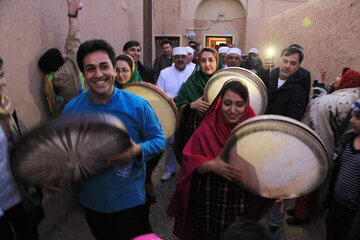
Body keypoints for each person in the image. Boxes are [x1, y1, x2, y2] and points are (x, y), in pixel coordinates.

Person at [62, 39, 166, 240]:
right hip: (93, 203)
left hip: (132, 201)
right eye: (90, 69)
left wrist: (136, 151)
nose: (99, 74)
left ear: (113, 68)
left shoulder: (137, 105)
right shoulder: (72, 110)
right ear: (83, 74)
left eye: (104, 67)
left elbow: (159, 140)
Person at [167, 81, 256, 240]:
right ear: (220, 102)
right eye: (227, 103)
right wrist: (209, 164)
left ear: (247, 104)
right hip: (210, 200)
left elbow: (265, 164)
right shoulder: (208, 127)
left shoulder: (254, 129)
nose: (233, 110)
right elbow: (189, 162)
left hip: (241, 200)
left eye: (239, 105)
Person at [257, 46, 310, 239]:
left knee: (278, 188)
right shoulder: (269, 75)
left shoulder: (298, 88)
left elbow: (294, 120)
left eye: (293, 63)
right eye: (285, 61)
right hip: (260, 138)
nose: (287, 66)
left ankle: (273, 228)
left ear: (298, 66)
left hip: (282, 145)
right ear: (280, 59)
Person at [0, 57, 44, 240]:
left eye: (1, 75)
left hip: (20, 194)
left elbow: (19, 148)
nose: (2, 82)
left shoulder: (6, 109)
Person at [319, 99, 360, 240]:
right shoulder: (347, 140)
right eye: (353, 116)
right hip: (336, 204)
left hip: (353, 213)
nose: (352, 120)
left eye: (358, 117)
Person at [38, 0, 86, 117]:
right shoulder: (63, 77)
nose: (65, 53)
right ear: (57, 63)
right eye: (61, 54)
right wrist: (72, 17)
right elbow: (74, 47)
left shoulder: (54, 77)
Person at [174, 47, 224, 162]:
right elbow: (177, 107)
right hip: (195, 135)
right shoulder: (191, 83)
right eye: (203, 60)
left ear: (217, 61)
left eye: (211, 60)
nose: (207, 64)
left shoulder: (225, 82)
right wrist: (191, 105)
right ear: (198, 63)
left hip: (219, 136)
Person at [156, 47, 193, 181]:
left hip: (189, 112)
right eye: (177, 57)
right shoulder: (164, 73)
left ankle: (188, 170)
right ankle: (170, 169)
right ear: (173, 59)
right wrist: (174, 97)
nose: (180, 60)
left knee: (188, 143)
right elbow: (159, 93)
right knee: (171, 144)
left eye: (183, 57)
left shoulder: (193, 71)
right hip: (170, 113)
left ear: (187, 58)